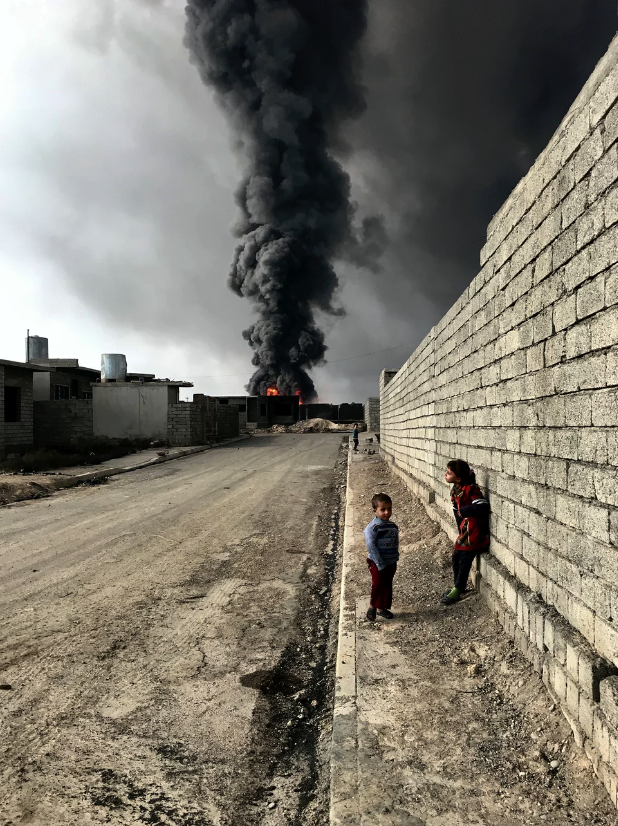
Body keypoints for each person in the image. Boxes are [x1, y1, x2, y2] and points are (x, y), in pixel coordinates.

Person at [442, 459, 490, 605]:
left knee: (464, 559)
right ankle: (457, 586)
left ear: (459, 478)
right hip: (465, 530)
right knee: (456, 556)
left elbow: (483, 506)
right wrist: (460, 531)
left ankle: (458, 588)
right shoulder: (456, 490)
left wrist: (465, 510)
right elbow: (457, 515)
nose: (445, 474)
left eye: (449, 473)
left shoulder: (470, 489)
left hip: (474, 531)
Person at [364, 492, 399, 621]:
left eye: (389, 509)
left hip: (391, 561)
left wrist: (395, 556)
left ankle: (382, 608)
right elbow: (371, 546)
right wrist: (379, 563)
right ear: (375, 511)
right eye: (382, 510)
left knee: (387, 584)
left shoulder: (392, 526)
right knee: (378, 584)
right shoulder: (373, 527)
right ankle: (372, 606)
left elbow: (395, 542)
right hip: (377, 562)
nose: (387, 512)